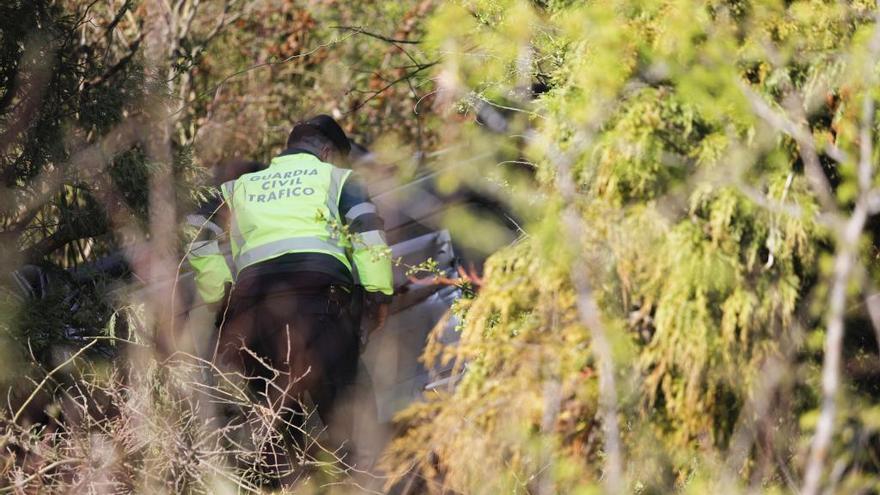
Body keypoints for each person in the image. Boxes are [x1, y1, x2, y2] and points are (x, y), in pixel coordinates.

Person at [215, 115, 393, 471]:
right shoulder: (340, 179)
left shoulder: (240, 188)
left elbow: (198, 237)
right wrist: (378, 297)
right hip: (321, 310)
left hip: (253, 317)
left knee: (276, 439)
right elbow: (367, 235)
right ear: (328, 153)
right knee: (354, 425)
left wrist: (217, 295)